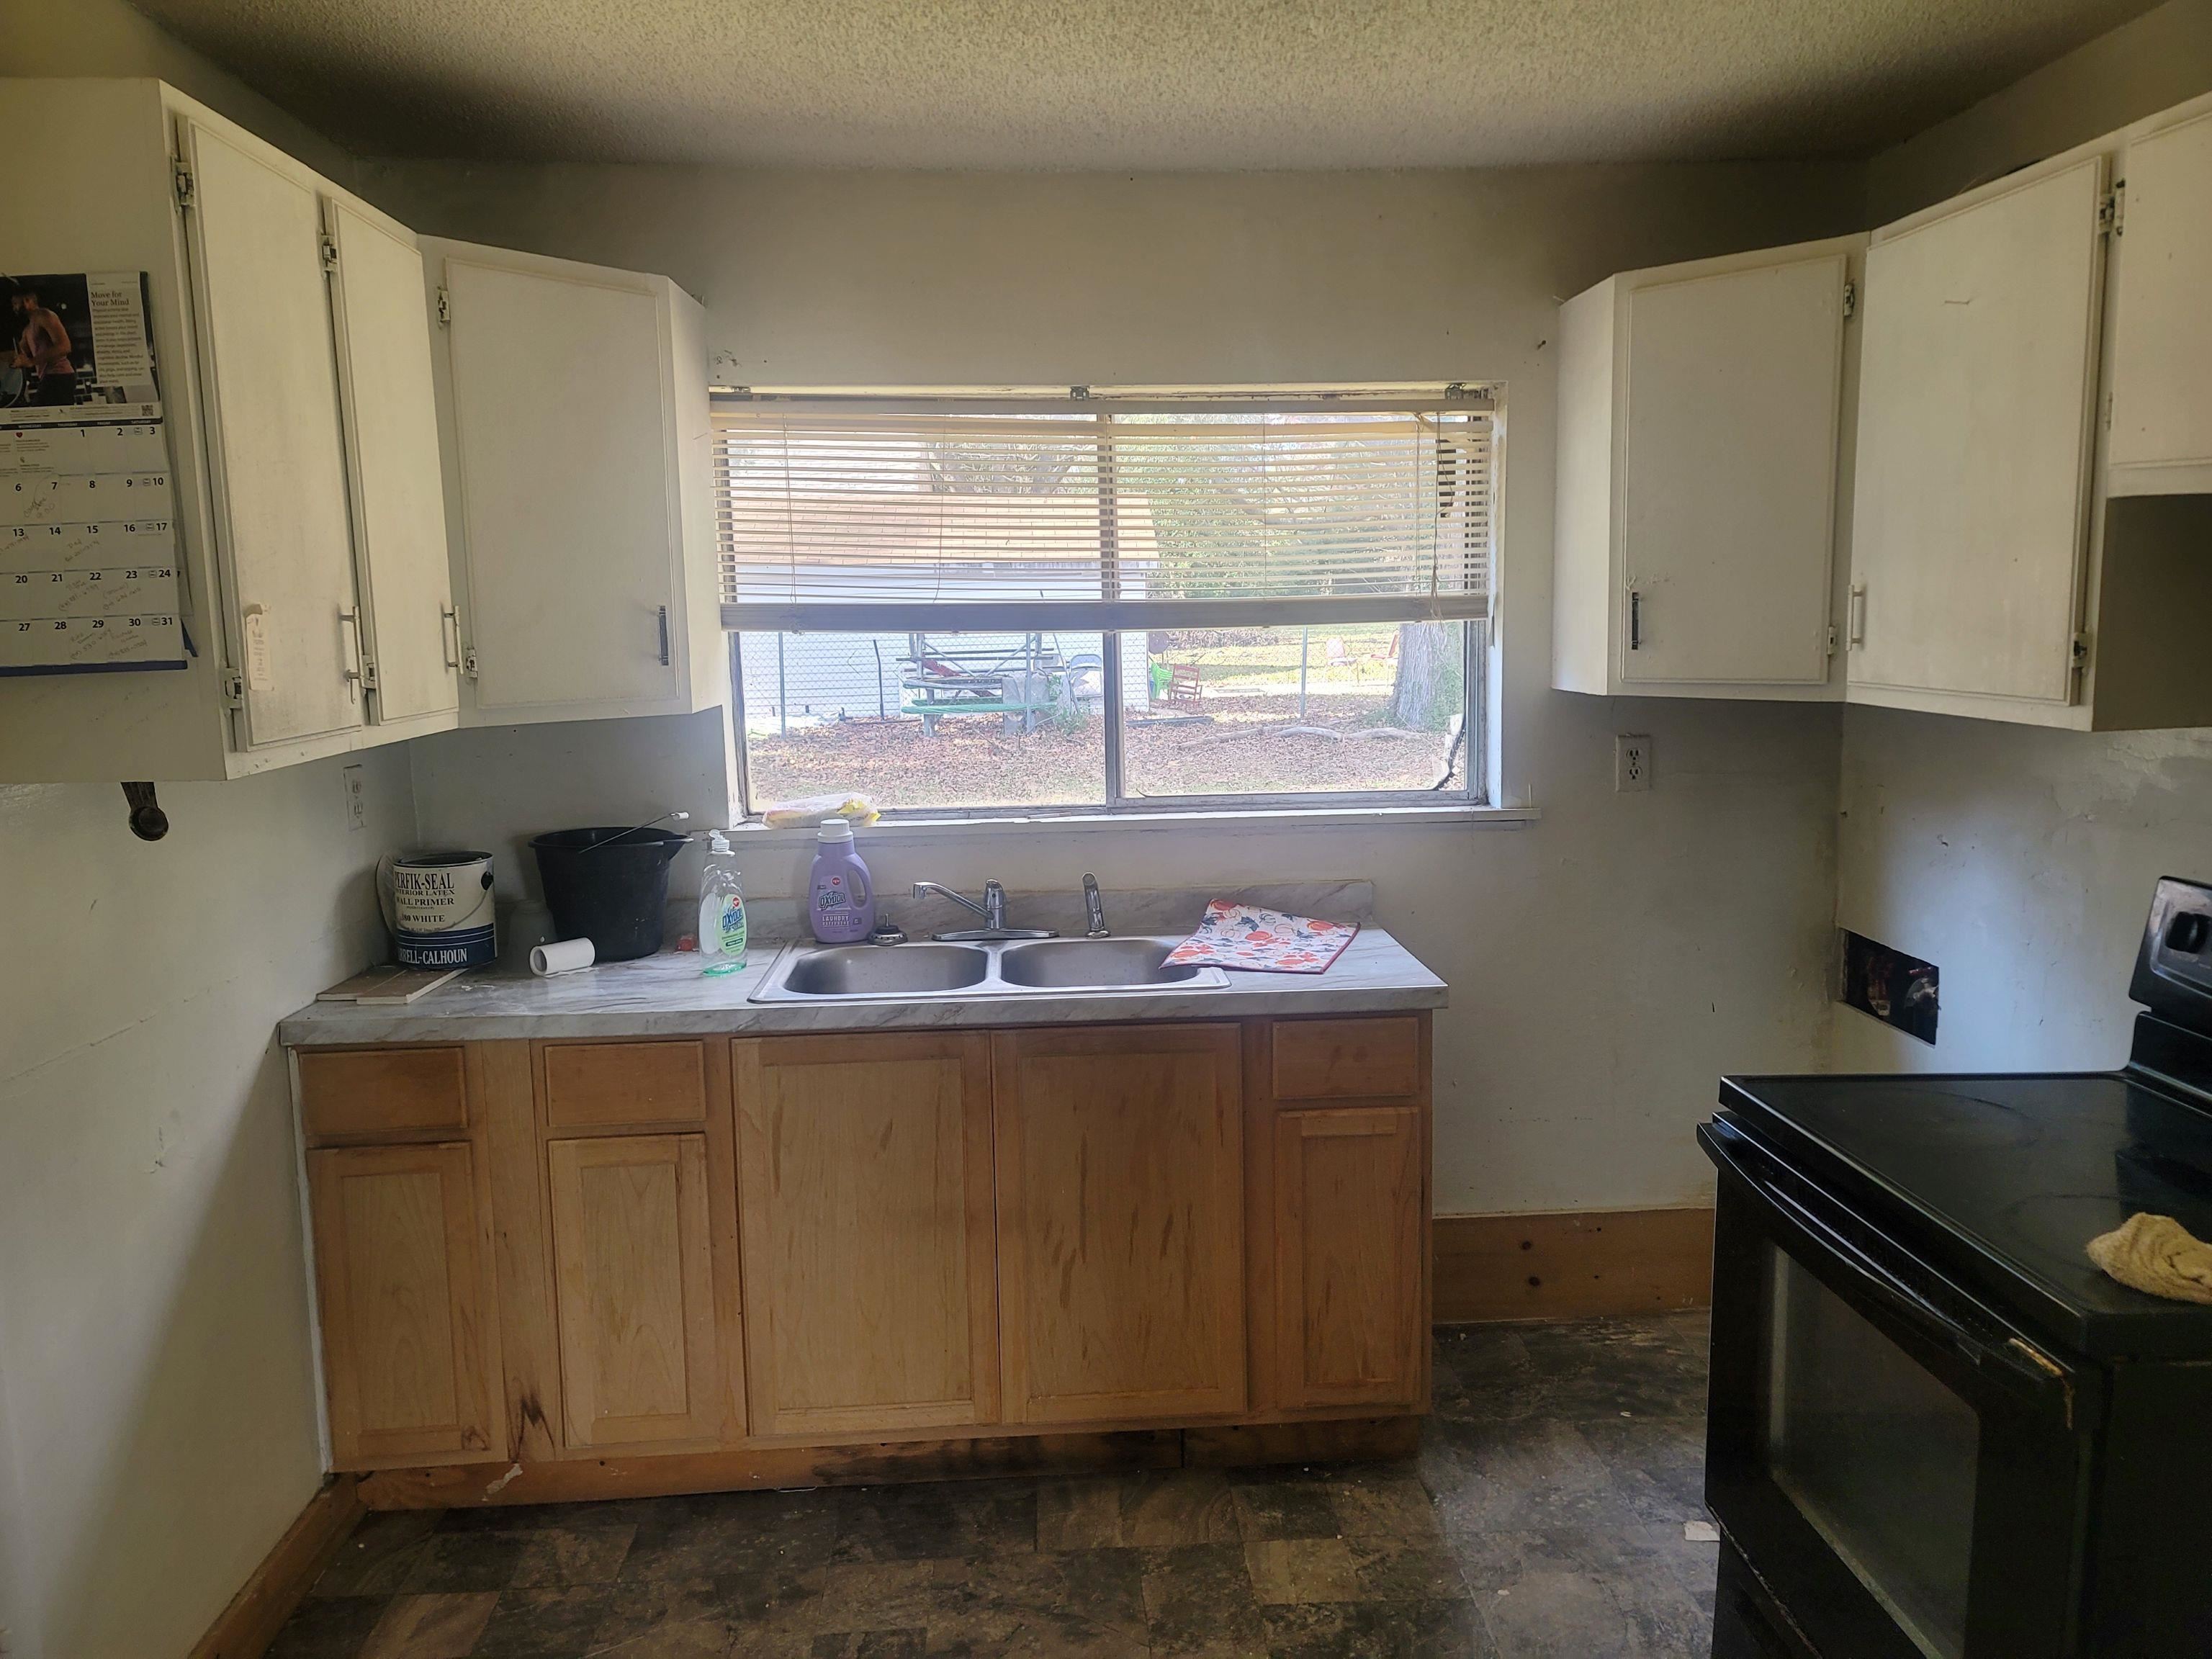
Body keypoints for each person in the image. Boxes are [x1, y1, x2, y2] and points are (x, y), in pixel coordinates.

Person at [11, 284, 76, 405]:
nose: (14, 308)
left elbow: (64, 346)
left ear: (27, 300)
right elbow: (17, 355)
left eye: (15, 303)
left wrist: (31, 361)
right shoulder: (28, 330)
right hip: (48, 378)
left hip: (59, 376)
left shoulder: (44, 315)